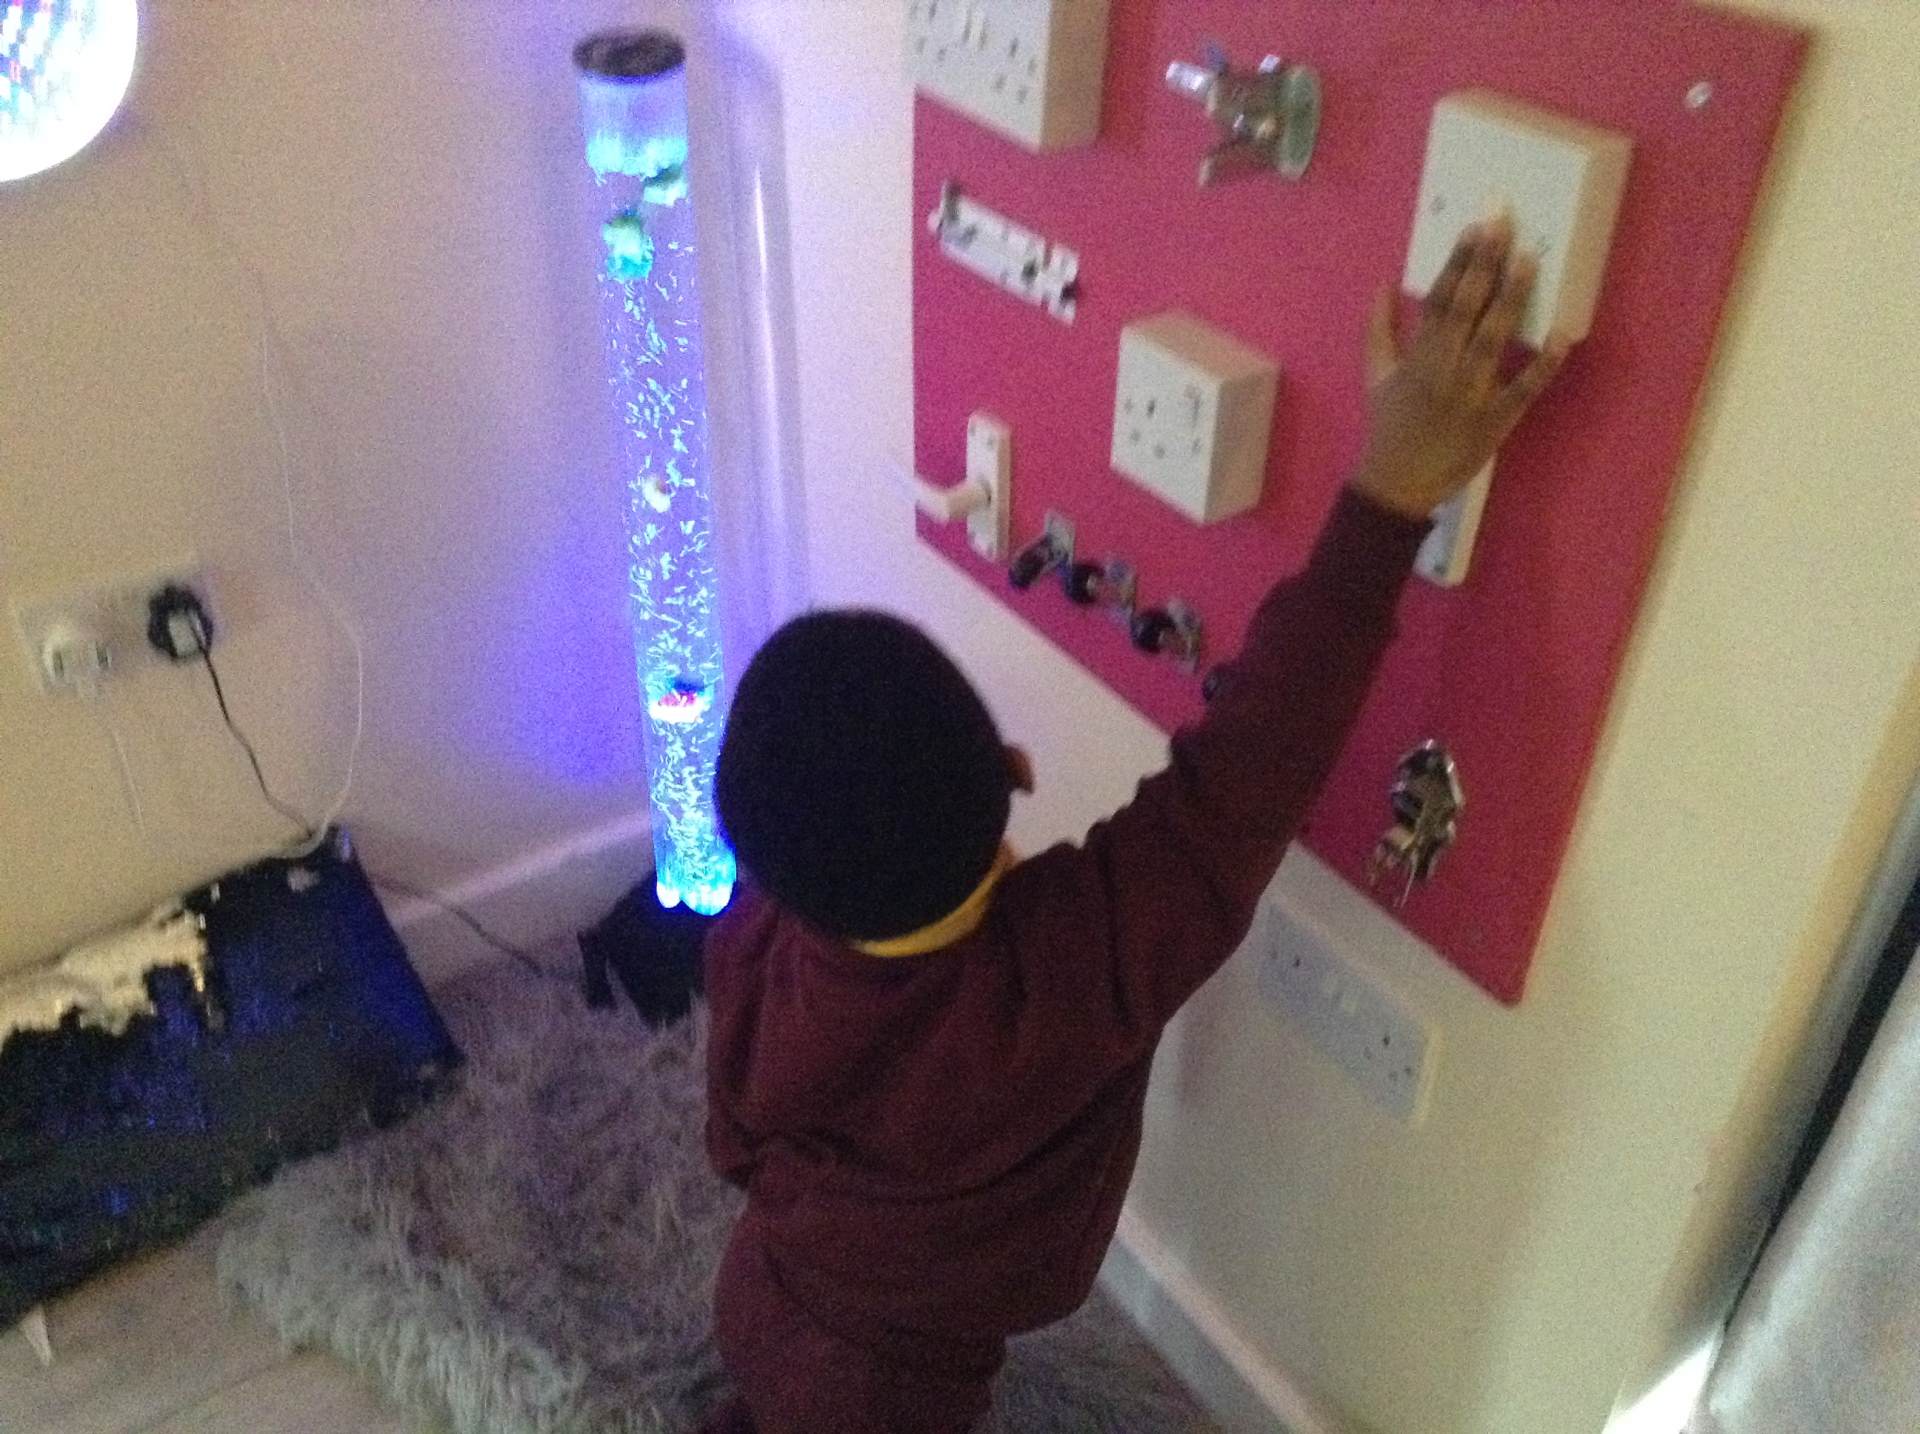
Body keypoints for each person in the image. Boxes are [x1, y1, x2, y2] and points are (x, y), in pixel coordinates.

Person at [699, 219, 1566, 1434]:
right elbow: (1248, 770)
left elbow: (734, 1141)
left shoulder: (755, 939)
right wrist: (1389, 496)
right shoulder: (1076, 966)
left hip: (763, 1293)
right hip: (901, 1394)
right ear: (1011, 775)